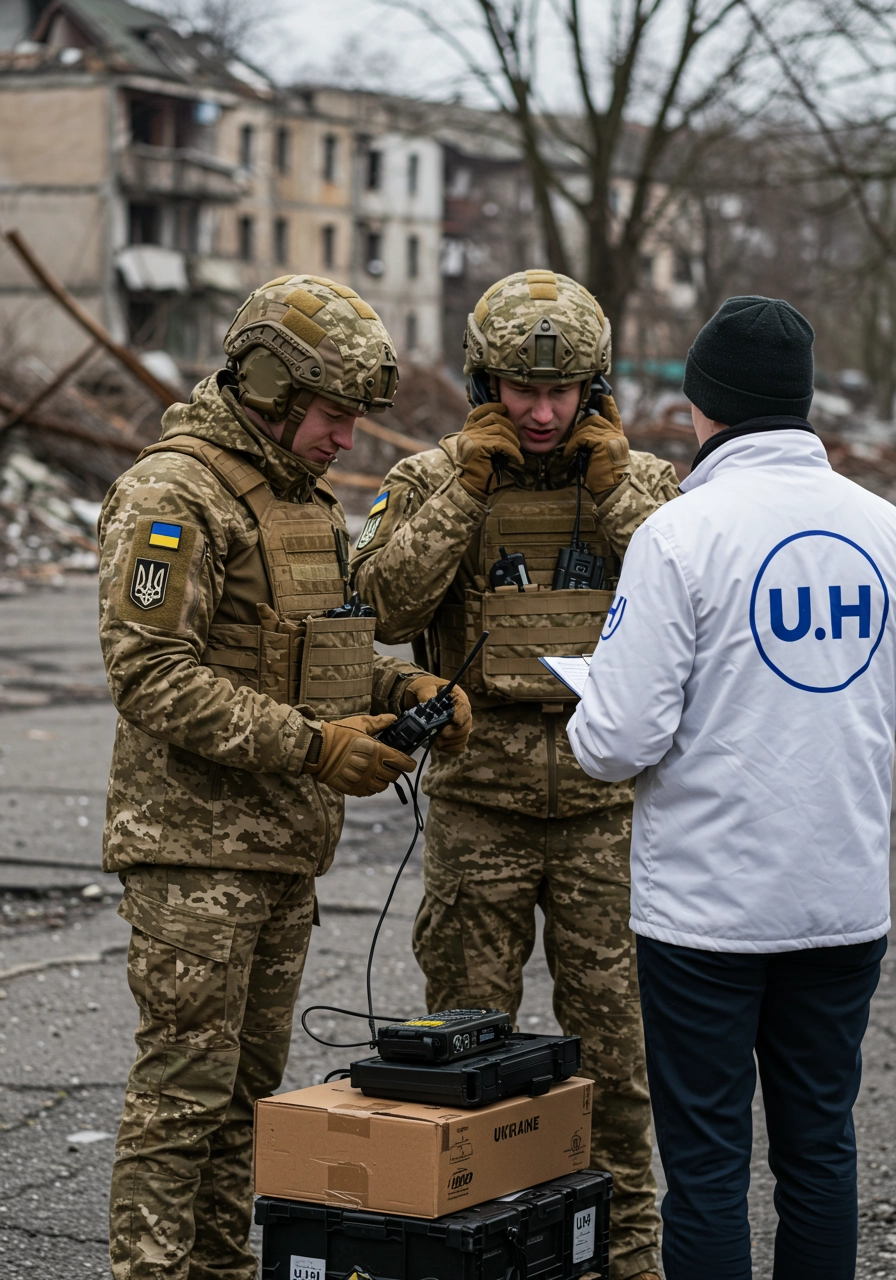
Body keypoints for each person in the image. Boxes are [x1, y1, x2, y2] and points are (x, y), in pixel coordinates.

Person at [98, 274, 473, 1280]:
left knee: (244, 1104)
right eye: (334, 413)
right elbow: (149, 673)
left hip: (276, 854)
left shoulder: (299, 503)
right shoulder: (171, 494)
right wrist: (314, 748)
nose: (348, 438)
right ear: (269, 387)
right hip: (194, 860)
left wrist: (410, 684)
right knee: (181, 1101)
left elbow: (327, 659)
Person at [352, 268, 679, 1280]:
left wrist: (610, 488)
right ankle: (478, 1255)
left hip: (603, 816)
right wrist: (465, 485)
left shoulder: (645, 485)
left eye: (562, 391)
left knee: (618, 1069)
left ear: (597, 387)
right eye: (518, 391)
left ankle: (628, 1257)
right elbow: (383, 606)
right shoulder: (430, 479)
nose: (540, 414)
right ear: (479, 382)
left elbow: (685, 591)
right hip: (476, 814)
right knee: (464, 1063)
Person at [568, 295, 893, 1280]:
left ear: (700, 404)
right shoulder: (882, 530)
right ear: (800, 405)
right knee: (820, 1149)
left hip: (707, 914)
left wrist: (587, 704)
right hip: (841, 899)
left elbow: (615, 740)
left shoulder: (678, 535)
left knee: (706, 1169)